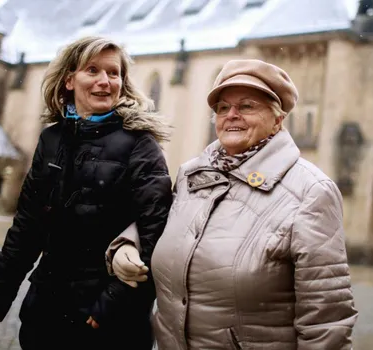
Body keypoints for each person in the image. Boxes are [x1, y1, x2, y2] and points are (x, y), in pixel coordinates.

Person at [112, 59, 358, 349]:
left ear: (278, 119)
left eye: (247, 106)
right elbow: (167, 222)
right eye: (223, 108)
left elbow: (326, 320)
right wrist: (128, 243)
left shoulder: (311, 192)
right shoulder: (193, 174)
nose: (231, 115)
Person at [0, 36, 173, 349]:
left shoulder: (140, 144)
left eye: (113, 73)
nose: (104, 81)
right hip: (45, 309)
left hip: (107, 321)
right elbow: (27, 226)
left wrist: (114, 302)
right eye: (92, 70)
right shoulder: (52, 139)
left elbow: (156, 233)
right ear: (69, 80)